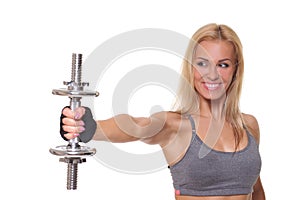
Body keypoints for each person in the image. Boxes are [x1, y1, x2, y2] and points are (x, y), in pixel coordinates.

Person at [60, 23, 265, 200]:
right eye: (202, 63)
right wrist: (90, 127)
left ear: (236, 69)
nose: (212, 74)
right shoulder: (175, 125)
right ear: (191, 68)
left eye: (223, 65)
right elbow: (136, 126)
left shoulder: (248, 126)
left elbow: (255, 190)